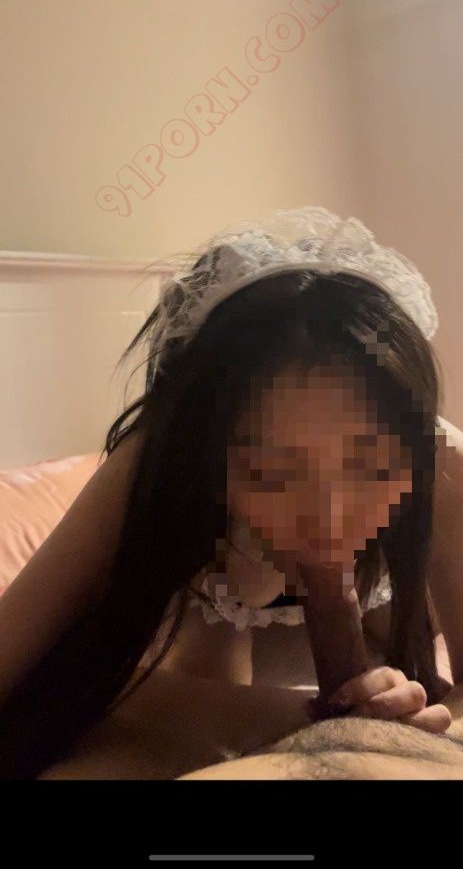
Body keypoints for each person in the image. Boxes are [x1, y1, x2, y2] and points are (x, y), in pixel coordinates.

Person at [0, 206, 460, 781]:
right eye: (271, 474)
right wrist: (306, 721)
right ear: (207, 454)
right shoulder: (157, 466)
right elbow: (22, 668)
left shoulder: (441, 462)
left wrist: (405, 719)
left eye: (373, 466)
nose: (329, 518)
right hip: (213, 598)